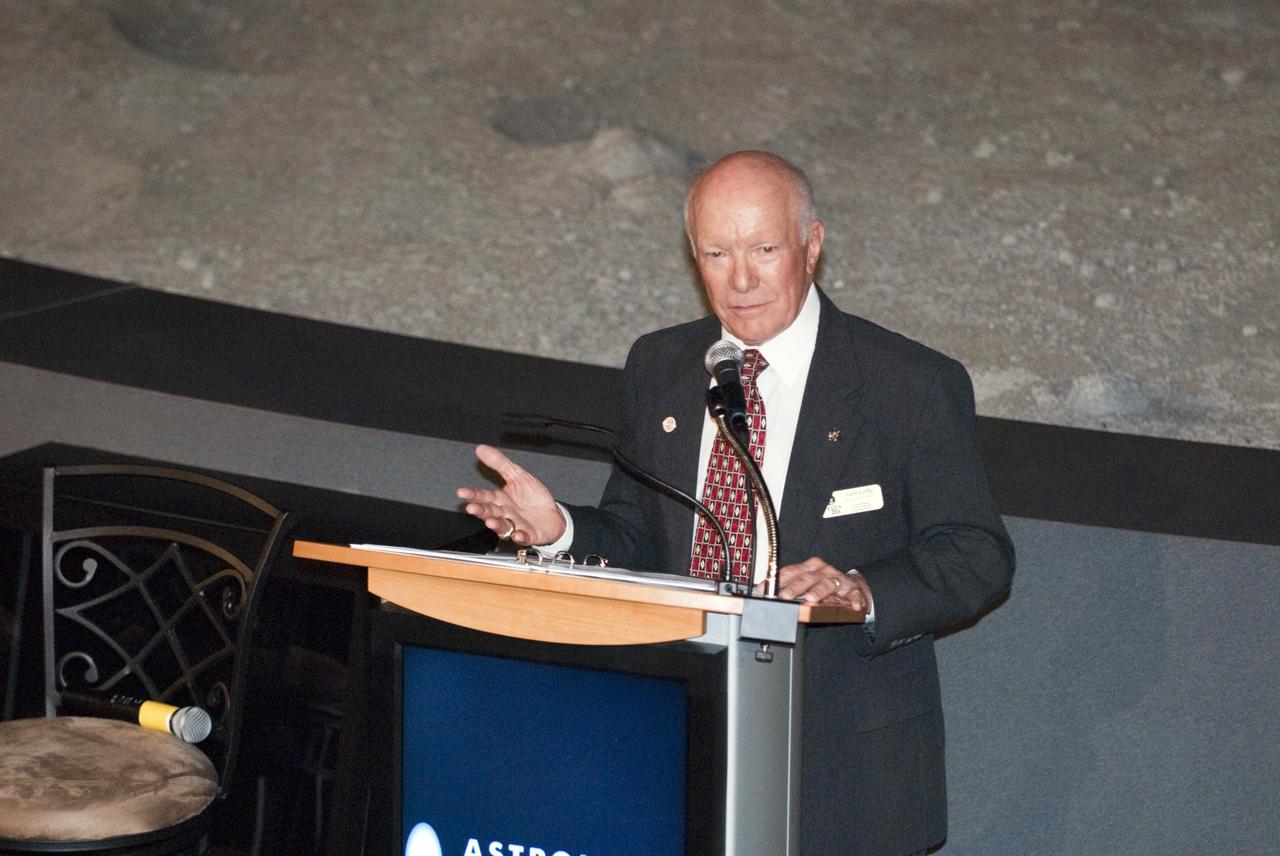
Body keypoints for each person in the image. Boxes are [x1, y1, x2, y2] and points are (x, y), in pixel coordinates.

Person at [457, 151, 1015, 855]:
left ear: (812, 245)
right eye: (717, 253)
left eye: (764, 250)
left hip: (841, 766)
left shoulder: (905, 383)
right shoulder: (661, 365)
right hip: (674, 741)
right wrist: (560, 530)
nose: (740, 279)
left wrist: (863, 590)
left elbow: (975, 553)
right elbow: (637, 535)